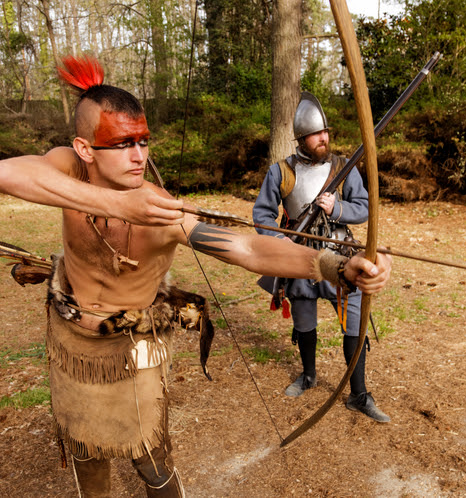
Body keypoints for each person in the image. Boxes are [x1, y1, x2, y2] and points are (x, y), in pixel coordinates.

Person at [0, 58, 391, 497]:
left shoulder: (163, 211)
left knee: (151, 460)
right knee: (86, 455)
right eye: (122, 142)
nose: (139, 156)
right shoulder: (68, 168)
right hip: (71, 343)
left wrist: (333, 266)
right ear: (85, 149)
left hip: (131, 348)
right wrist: (115, 205)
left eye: (144, 141)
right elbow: (8, 174)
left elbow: (246, 247)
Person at [253, 91, 390, 423]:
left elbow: (366, 208)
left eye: (325, 132)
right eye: (316, 134)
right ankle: (309, 375)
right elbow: (262, 215)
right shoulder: (281, 172)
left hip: (343, 258)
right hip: (299, 260)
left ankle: (358, 394)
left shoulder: (344, 167)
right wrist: (282, 240)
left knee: (354, 325)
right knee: (304, 322)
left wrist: (338, 208)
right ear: (302, 138)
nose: (323, 138)